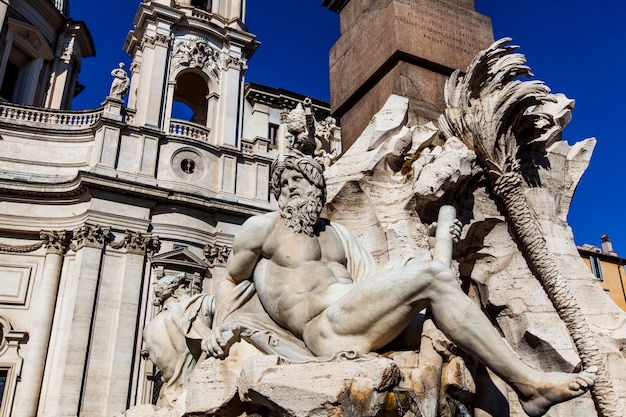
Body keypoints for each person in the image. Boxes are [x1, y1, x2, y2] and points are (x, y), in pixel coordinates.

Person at [203, 153, 597, 417]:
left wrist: (434, 246)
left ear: (317, 188)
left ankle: (513, 402)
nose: (292, 189)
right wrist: (216, 332)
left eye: (300, 181)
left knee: (461, 341)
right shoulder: (263, 229)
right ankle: (530, 384)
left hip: (357, 315)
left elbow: (372, 282)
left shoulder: (338, 235)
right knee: (430, 277)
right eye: (284, 182)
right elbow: (231, 280)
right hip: (323, 329)